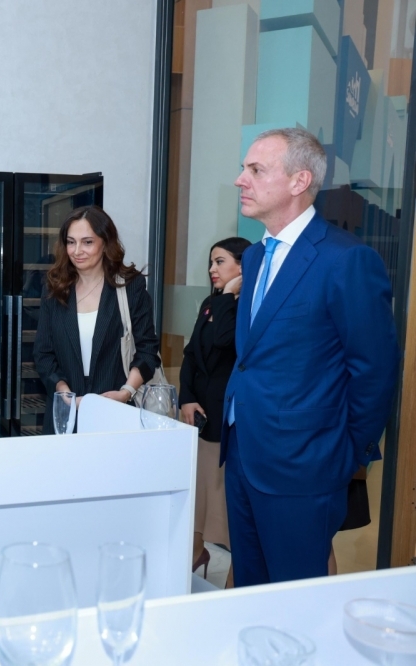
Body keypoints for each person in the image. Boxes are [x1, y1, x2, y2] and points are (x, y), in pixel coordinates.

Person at [223, 127, 399, 586]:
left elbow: (375, 371)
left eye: (256, 170)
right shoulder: (255, 257)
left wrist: (343, 454)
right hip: (243, 453)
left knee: (297, 601)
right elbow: (254, 356)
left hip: (305, 465)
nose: (241, 179)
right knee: (250, 593)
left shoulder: (346, 260)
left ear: (299, 181)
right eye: (243, 168)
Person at [34, 205, 159, 434]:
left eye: (87, 242)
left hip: (117, 412)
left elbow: (147, 350)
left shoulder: (130, 286)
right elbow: (43, 353)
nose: (77, 251)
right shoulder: (54, 288)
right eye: (71, 242)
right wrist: (63, 392)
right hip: (66, 414)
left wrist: (126, 392)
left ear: (106, 242)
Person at [179, 236, 251, 585]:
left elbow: (225, 339)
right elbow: (192, 354)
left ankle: (236, 579)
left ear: (242, 266)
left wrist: (228, 297)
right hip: (202, 418)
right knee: (198, 497)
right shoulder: (211, 302)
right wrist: (186, 397)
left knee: (225, 507)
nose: (212, 269)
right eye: (211, 262)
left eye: (219, 262)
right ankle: (197, 554)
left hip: (229, 423)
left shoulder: (249, 305)